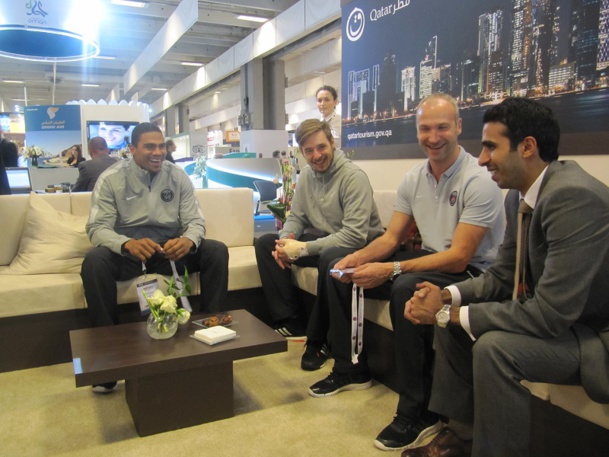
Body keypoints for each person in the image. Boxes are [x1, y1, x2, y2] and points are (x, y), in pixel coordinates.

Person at [403, 97, 609, 457]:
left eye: (490, 147)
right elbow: (501, 276)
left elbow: (550, 314)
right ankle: (462, 436)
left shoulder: (573, 196)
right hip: (563, 325)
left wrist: (445, 312)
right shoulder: (519, 197)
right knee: (454, 323)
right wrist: (447, 296)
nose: (481, 160)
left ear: (527, 147)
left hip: (593, 335)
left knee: (495, 348)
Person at [308, 94, 505, 453]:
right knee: (338, 265)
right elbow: (391, 237)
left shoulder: (480, 179)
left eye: (442, 127)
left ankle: (418, 410)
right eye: (425, 128)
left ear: (459, 127)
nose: (433, 136)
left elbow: (460, 258)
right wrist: (356, 259)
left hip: (474, 274)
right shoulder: (414, 178)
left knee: (405, 287)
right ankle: (351, 367)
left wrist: (393, 268)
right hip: (430, 261)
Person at [81, 122, 229, 392]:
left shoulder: (178, 175)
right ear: (132, 149)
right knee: (94, 262)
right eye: (150, 146)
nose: (158, 152)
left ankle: (211, 333)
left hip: (167, 252)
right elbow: (96, 228)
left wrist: (187, 240)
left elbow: (195, 221)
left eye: (161, 146)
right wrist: (125, 244)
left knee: (216, 250)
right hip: (127, 251)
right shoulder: (111, 178)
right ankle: (107, 361)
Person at [254, 119, 384, 365]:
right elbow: (297, 218)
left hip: (360, 245)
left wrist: (302, 248)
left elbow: (355, 234)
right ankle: (291, 320)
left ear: (332, 143)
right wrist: (285, 241)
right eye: (309, 151)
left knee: (328, 258)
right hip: (326, 239)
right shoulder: (306, 177)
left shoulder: (353, 177)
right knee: (265, 244)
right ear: (302, 152)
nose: (316, 155)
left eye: (321, 147)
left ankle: (320, 341)